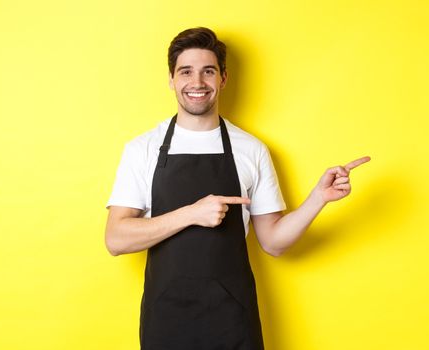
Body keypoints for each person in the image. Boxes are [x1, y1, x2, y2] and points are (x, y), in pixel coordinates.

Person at [104, 27, 370, 349]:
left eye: (208, 71)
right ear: (171, 79)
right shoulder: (142, 149)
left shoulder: (251, 150)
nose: (197, 82)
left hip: (232, 321)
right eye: (186, 72)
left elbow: (273, 242)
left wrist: (318, 198)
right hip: (166, 320)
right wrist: (191, 213)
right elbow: (116, 239)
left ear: (223, 79)